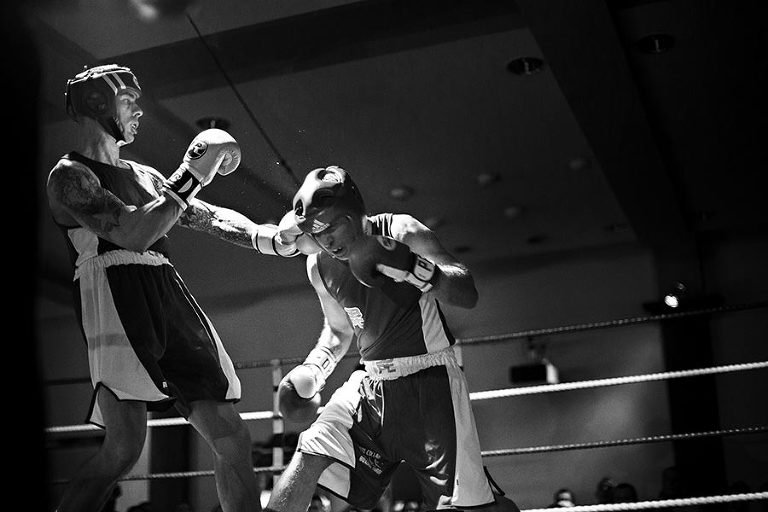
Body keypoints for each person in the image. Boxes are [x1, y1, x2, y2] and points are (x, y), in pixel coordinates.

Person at [47, 64, 306, 512]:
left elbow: (209, 215)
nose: (140, 109)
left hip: (165, 287)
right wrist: (191, 172)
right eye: (129, 98)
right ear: (97, 104)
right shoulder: (69, 176)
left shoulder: (145, 176)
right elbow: (131, 232)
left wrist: (270, 240)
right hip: (113, 289)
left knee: (232, 435)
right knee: (124, 449)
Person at [269, 166, 521, 512]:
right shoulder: (318, 265)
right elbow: (340, 330)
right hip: (370, 385)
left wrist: (413, 267)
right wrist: (314, 371)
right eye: (317, 231)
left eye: (332, 226)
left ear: (354, 213)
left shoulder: (401, 230)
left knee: (470, 508)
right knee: (310, 452)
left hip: (430, 385)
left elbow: (467, 292)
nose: (326, 239)